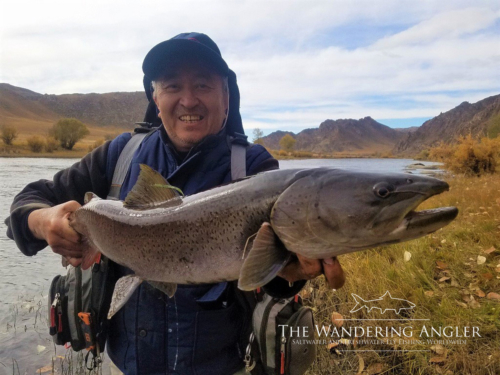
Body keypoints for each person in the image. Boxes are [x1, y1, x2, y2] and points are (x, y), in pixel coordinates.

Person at [6, 32, 345, 374]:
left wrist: (292, 272)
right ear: (155, 98)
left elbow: (271, 274)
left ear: (226, 97)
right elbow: (27, 204)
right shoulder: (118, 156)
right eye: (172, 86)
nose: (188, 100)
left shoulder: (255, 170)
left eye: (202, 85)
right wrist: (43, 219)